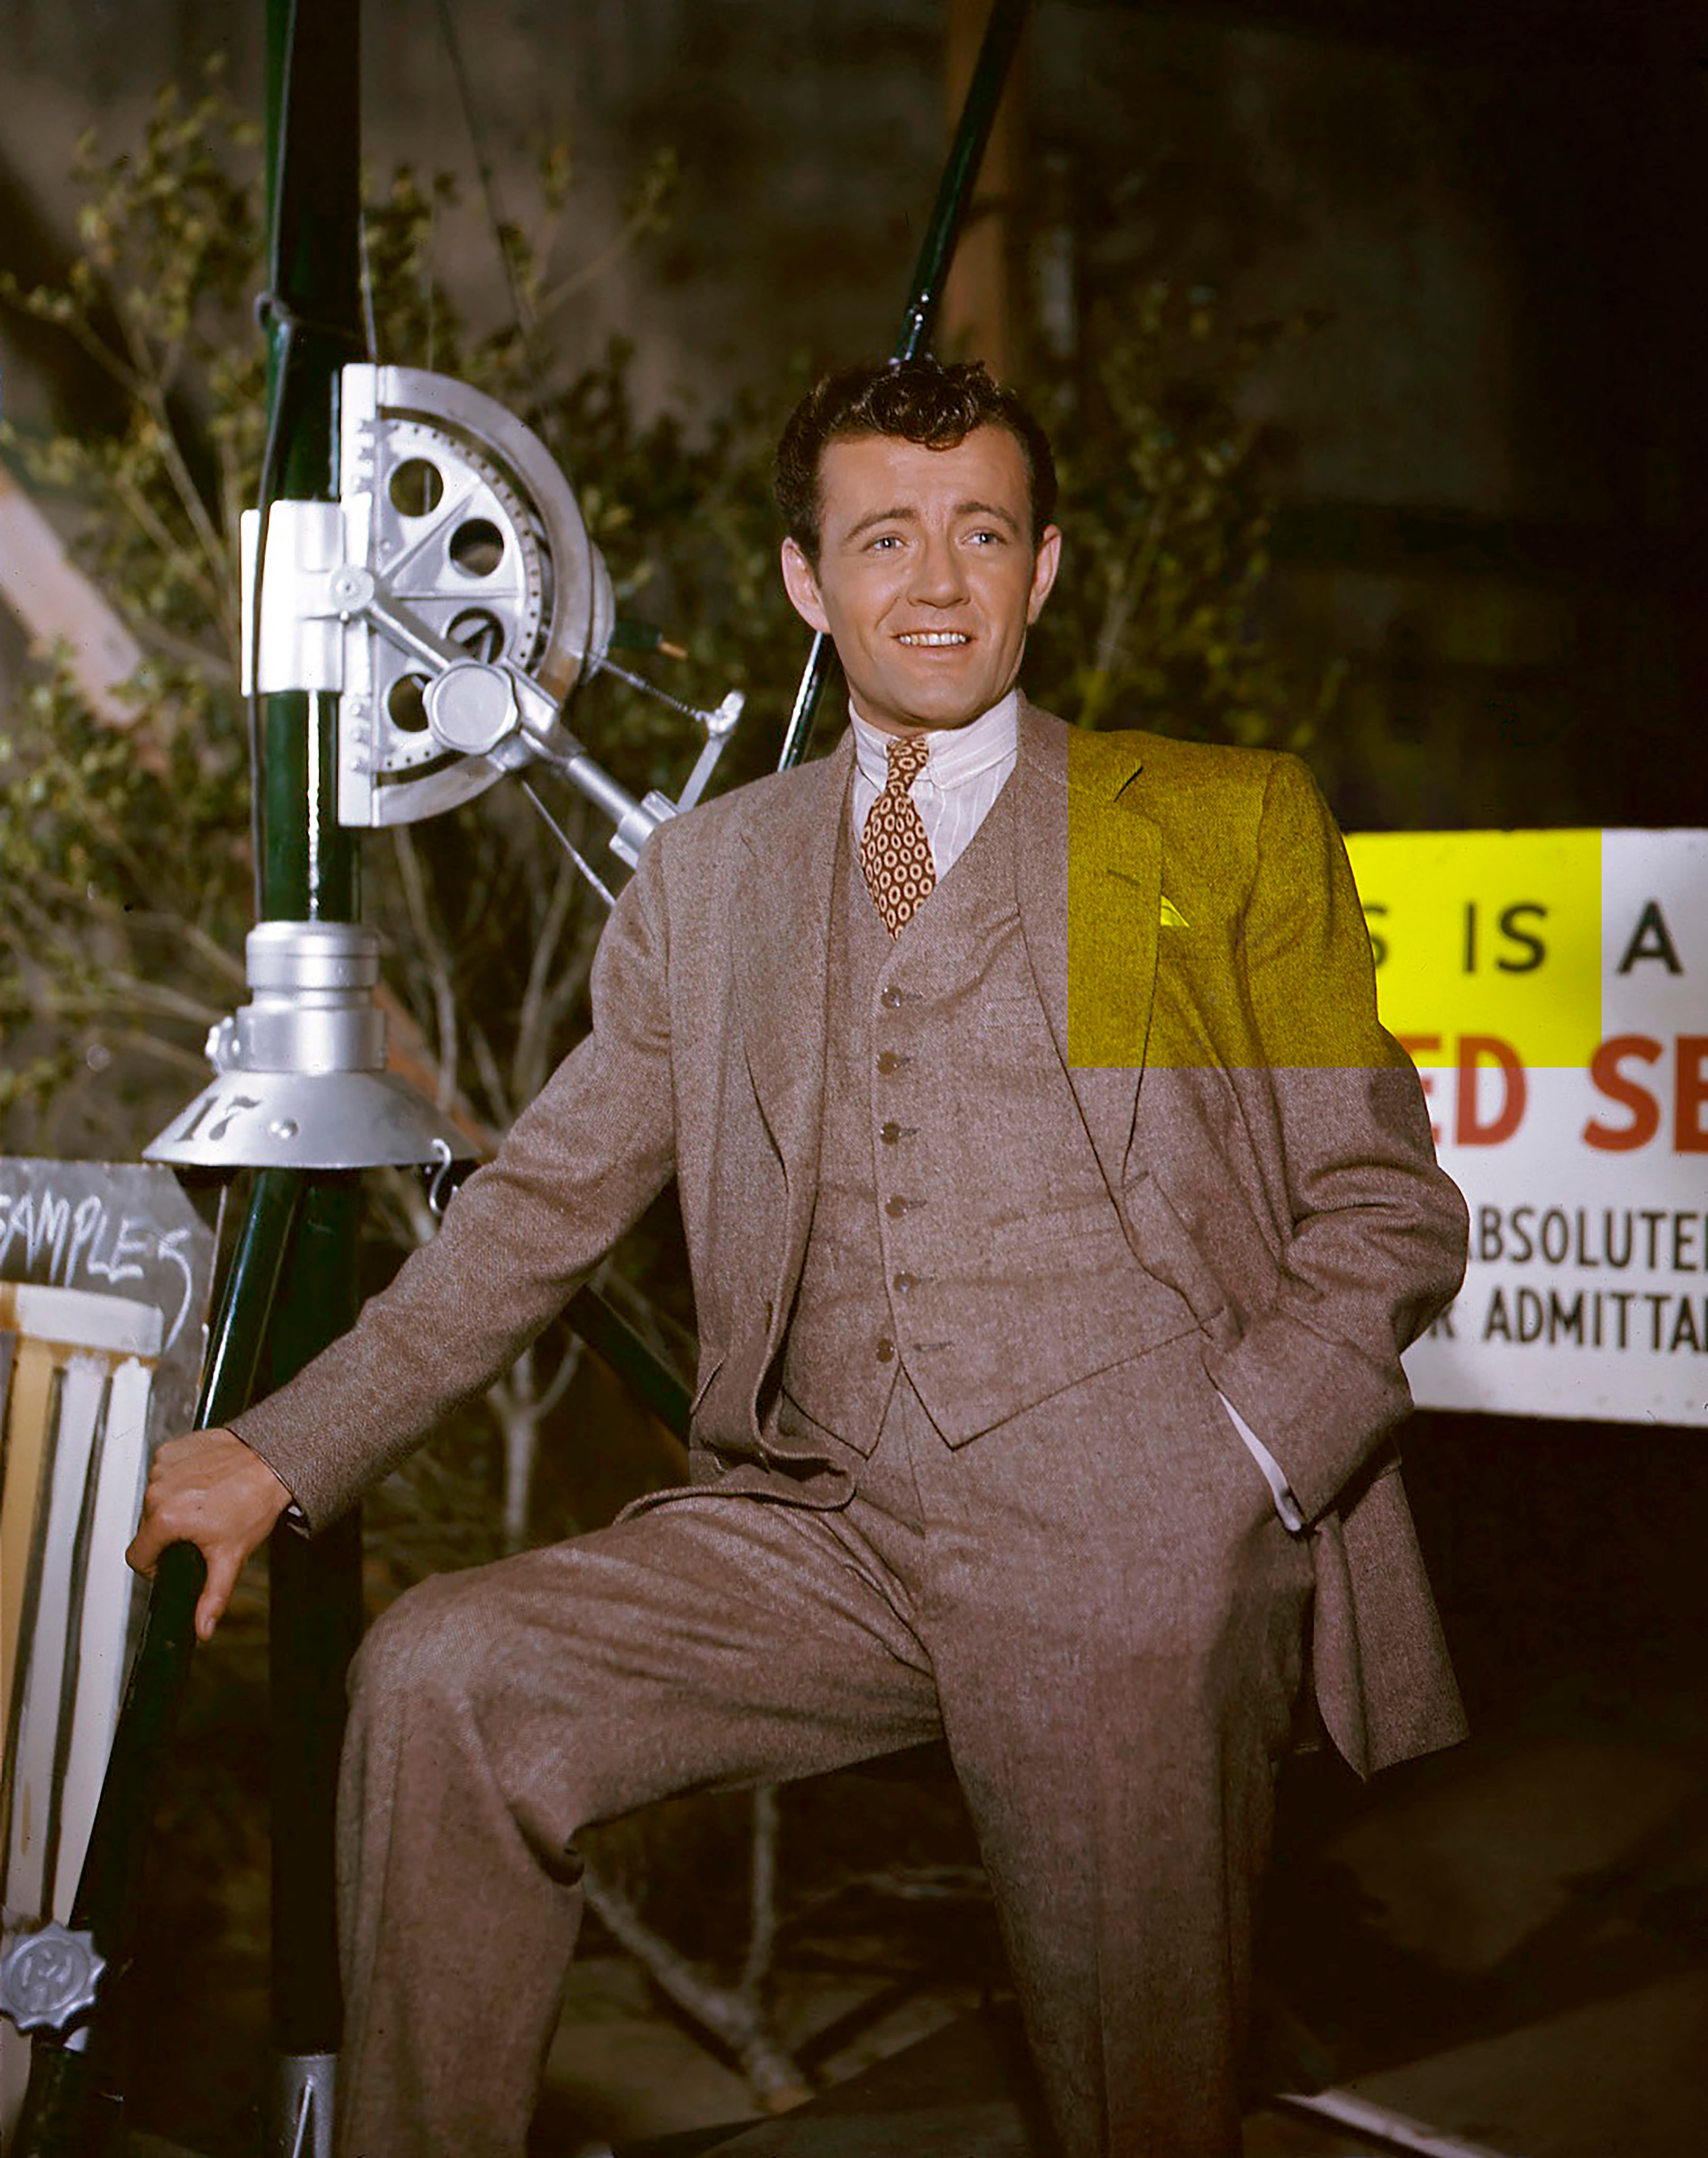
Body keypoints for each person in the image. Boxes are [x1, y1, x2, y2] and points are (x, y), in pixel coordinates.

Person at [130, 357, 1469, 2158]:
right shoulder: (718, 879)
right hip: (823, 1526)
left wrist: (1235, 1477)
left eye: (982, 534)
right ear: (802, 580)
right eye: (886, 538)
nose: (937, 582)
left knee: (1134, 2099)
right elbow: (535, 1213)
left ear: (1046, 568)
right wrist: (280, 1445)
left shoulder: (1209, 827)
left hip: (1131, 1538)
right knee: (447, 1678)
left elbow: (1383, 1207)